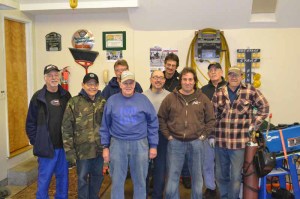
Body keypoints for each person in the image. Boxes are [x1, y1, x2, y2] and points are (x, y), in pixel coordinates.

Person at [158, 67, 215, 199]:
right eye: (185, 79)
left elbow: (211, 119)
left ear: (194, 81)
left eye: (190, 79)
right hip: (175, 143)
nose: (187, 82)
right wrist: (168, 136)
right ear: (181, 81)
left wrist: (203, 136)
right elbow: (161, 118)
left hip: (196, 143)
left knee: (197, 178)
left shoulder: (203, 98)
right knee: (172, 178)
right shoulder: (170, 98)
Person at [100, 71, 159, 199]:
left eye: (131, 82)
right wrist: (105, 147)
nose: (128, 85)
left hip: (140, 144)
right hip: (117, 144)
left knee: (140, 181)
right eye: (125, 82)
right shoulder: (112, 101)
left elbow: (153, 123)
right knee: (117, 181)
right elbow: (105, 125)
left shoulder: (143, 100)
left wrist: (153, 145)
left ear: (134, 84)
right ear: (120, 83)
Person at [212, 67, 269, 199]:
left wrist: (254, 125)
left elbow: (264, 107)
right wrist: (210, 135)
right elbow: (212, 115)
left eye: (236, 75)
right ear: (227, 76)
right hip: (221, 141)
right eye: (231, 75)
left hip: (239, 143)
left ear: (241, 76)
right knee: (221, 175)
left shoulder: (250, 91)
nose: (233, 77)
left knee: (236, 176)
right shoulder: (219, 92)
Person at [25, 64, 71, 199]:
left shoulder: (66, 95)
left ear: (60, 77)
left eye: (56, 75)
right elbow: (30, 123)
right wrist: (37, 142)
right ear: (45, 78)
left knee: (63, 180)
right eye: (50, 75)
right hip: (46, 148)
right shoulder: (38, 97)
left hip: (63, 147)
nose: (53, 77)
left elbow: (72, 119)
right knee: (44, 182)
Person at [62, 73, 106, 199]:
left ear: (98, 85)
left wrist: (108, 147)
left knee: (98, 177)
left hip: (99, 150)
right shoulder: (74, 102)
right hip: (82, 151)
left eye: (95, 84)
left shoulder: (103, 102)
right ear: (83, 85)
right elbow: (66, 128)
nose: (92, 87)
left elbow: (109, 126)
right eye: (89, 84)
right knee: (82, 179)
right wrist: (69, 151)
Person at [162, 53, 191, 188]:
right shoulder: (159, 77)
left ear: (176, 67)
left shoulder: (181, 80)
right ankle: (160, 176)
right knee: (162, 151)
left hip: (178, 119)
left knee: (183, 150)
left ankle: (185, 175)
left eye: (173, 66)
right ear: (165, 64)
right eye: (169, 65)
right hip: (163, 118)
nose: (171, 68)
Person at [200, 62, 227, 198]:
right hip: (208, 132)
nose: (213, 72)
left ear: (222, 72)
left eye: (216, 70)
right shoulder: (203, 90)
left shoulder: (229, 88)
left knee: (222, 163)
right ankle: (210, 187)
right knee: (207, 162)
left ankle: (223, 187)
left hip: (226, 134)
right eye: (210, 70)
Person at [143, 70, 169, 199]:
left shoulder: (170, 97)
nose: (158, 80)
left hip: (163, 136)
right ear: (150, 79)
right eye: (155, 77)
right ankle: (144, 194)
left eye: (160, 77)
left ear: (164, 80)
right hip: (145, 136)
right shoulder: (142, 96)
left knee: (160, 168)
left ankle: (158, 195)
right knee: (144, 168)